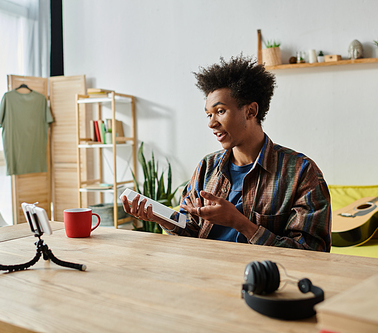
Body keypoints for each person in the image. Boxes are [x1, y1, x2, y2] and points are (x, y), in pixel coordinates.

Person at [122, 54, 331, 252]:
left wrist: (240, 223)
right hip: (207, 273)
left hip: (263, 283)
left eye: (220, 111)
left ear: (251, 111)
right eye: (208, 115)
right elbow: (191, 230)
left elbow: (312, 253)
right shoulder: (207, 167)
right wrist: (160, 217)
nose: (212, 123)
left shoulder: (301, 173)